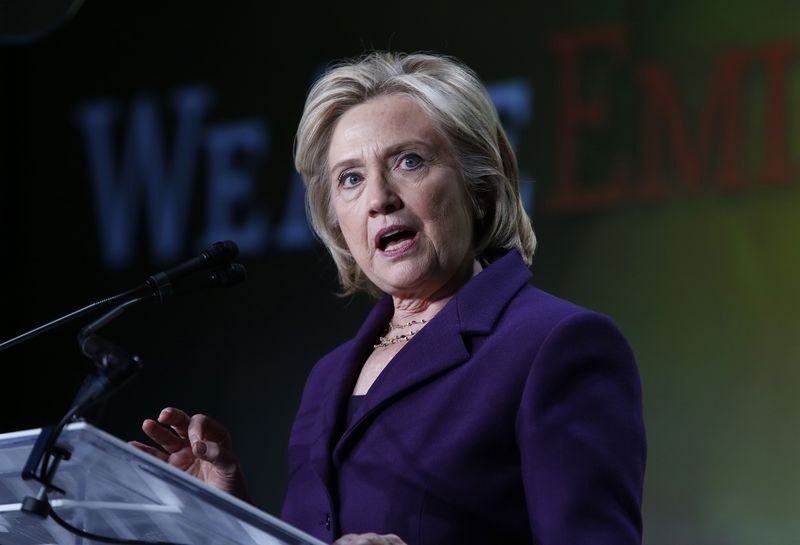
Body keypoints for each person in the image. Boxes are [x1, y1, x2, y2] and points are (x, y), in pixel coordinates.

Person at [131, 51, 646, 545]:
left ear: (479, 185)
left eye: (409, 161)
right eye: (351, 179)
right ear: (336, 217)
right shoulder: (328, 378)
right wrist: (226, 516)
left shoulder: (554, 345)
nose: (379, 198)